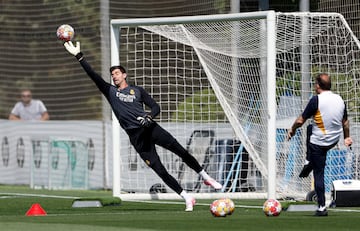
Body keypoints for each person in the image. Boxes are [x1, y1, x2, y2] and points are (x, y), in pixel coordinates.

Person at [63, 41, 222, 211]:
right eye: (112, 75)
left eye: (117, 73)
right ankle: (187, 197)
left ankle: (205, 176)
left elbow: (156, 107)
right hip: (136, 137)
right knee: (159, 169)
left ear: (124, 75)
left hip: (150, 128)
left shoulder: (137, 91)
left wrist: (149, 116)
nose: (114, 76)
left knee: (181, 151)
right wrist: (79, 57)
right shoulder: (110, 92)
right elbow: (93, 76)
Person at [287, 73, 353, 216]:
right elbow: (345, 122)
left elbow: (300, 121)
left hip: (319, 143)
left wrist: (292, 129)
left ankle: (322, 207)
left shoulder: (316, 100)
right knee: (311, 128)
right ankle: (310, 162)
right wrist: (347, 138)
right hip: (334, 140)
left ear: (318, 85)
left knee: (319, 173)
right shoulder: (340, 99)